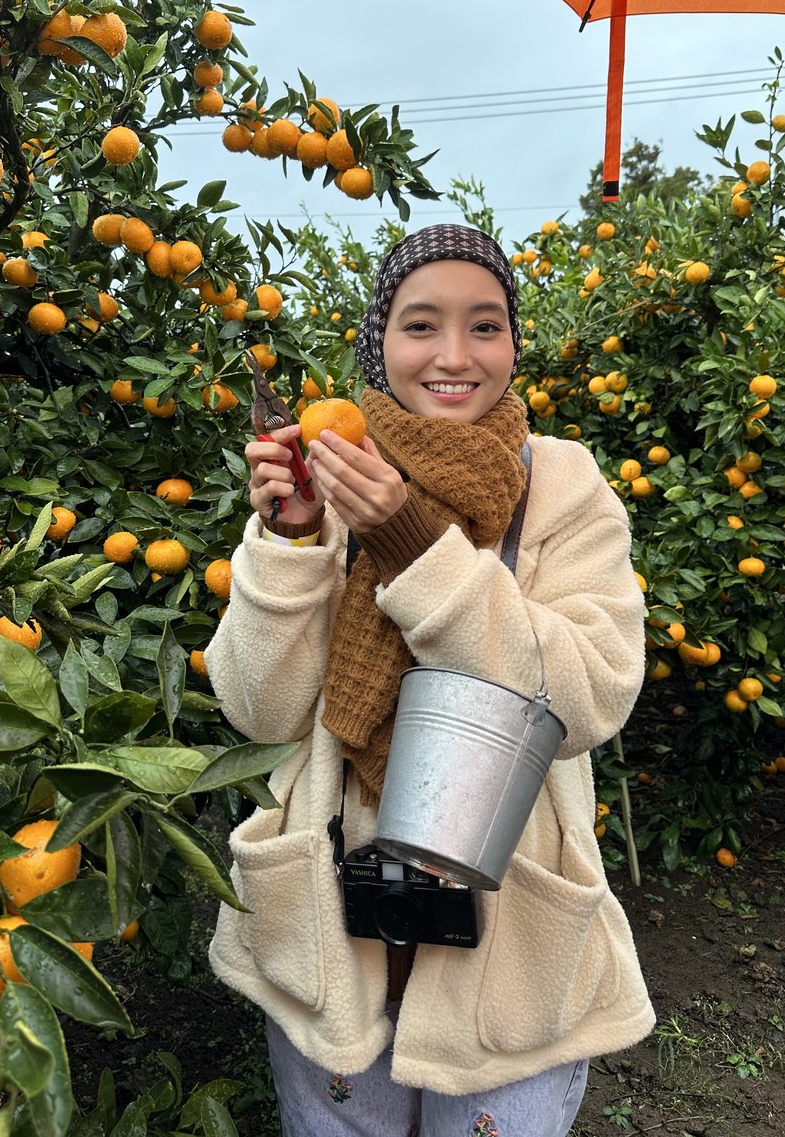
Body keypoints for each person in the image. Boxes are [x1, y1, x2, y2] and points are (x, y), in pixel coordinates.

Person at [206, 223, 654, 1136]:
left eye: (485, 325)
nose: (455, 354)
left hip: (506, 932)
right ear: (380, 341)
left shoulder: (564, 485)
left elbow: (591, 692)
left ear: (514, 343)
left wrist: (411, 544)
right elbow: (261, 710)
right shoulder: (331, 474)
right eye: (421, 324)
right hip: (335, 926)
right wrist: (293, 539)